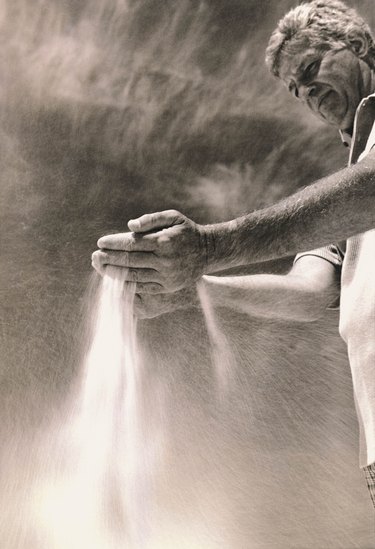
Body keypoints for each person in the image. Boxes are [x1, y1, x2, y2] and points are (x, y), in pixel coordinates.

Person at [92, 0, 375, 506]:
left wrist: (211, 247)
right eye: (295, 88)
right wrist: (189, 288)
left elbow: (370, 191)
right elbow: (308, 292)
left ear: (355, 46)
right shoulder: (347, 203)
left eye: (309, 70)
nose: (306, 92)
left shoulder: (357, 190)